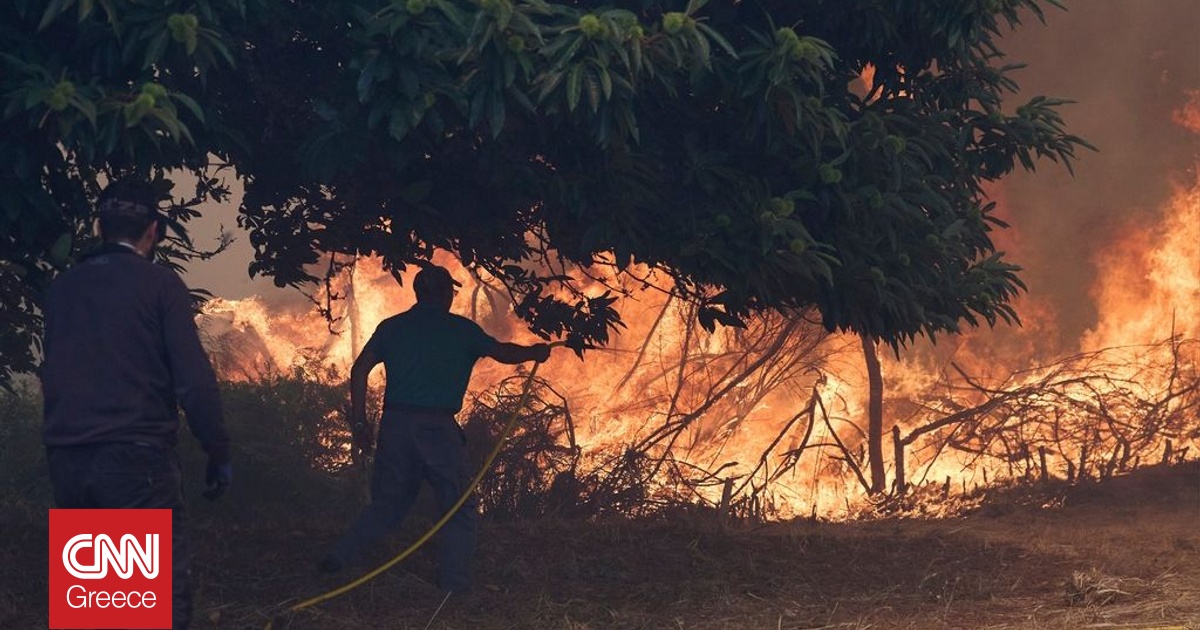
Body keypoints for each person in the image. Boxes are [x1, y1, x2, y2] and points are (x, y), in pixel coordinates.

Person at [41, 179, 232, 630]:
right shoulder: (159, 285)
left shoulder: (62, 289)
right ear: (154, 231)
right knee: (150, 608)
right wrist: (218, 451)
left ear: (98, 227)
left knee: (95, 604)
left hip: (70, 462)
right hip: (135, 464)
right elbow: (193, 380)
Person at [320, 265, 551, 593]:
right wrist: (535, 352)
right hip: (437, 429)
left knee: (387, 504)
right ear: (446, 294)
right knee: (458, 507)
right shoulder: (462, 331)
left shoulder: (392, 328)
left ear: (417, 293)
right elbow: (503, 352)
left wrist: (360, 423)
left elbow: (359, 371)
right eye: (451, 292)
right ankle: (454, 587)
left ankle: (339, 558)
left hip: (395, 426)